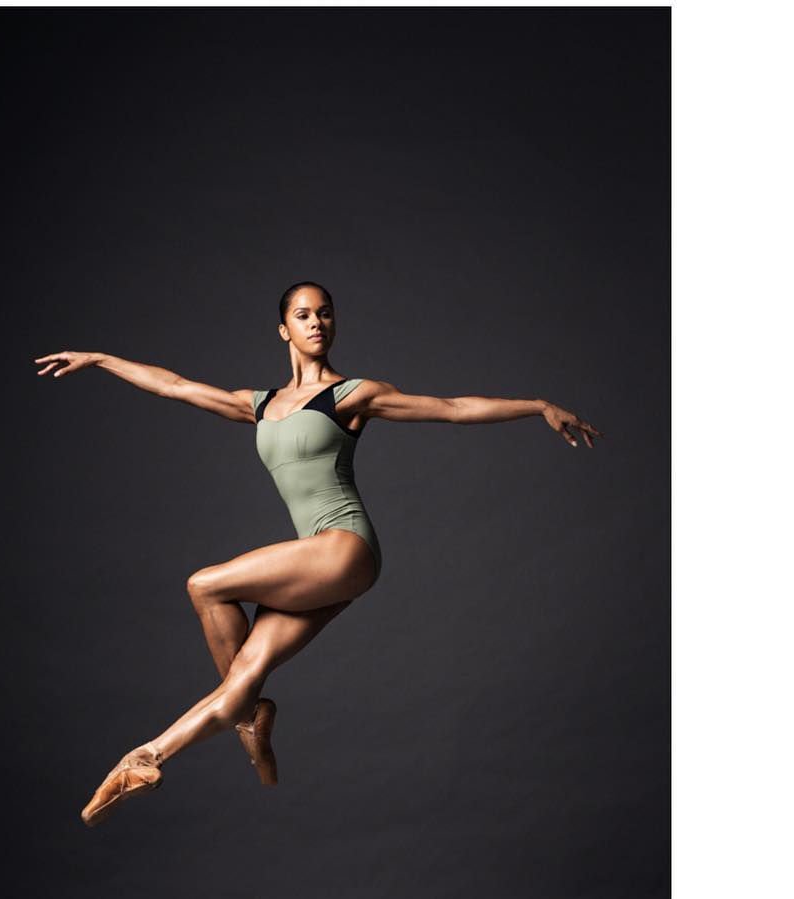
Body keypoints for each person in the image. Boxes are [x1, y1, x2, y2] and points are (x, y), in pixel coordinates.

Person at [33, 282, 602, 826]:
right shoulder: (259, 405)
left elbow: (452, 407)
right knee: (242, 678)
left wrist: (537, 406)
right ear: (284, 329)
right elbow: (174, 386)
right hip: (318, 563)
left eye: (325, 313)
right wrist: (102, 359)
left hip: (344, 545)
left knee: (204, 584)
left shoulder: (352, 395)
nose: (317, 323)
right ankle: (155, 754)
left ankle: (239, 716)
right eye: (303, 315)